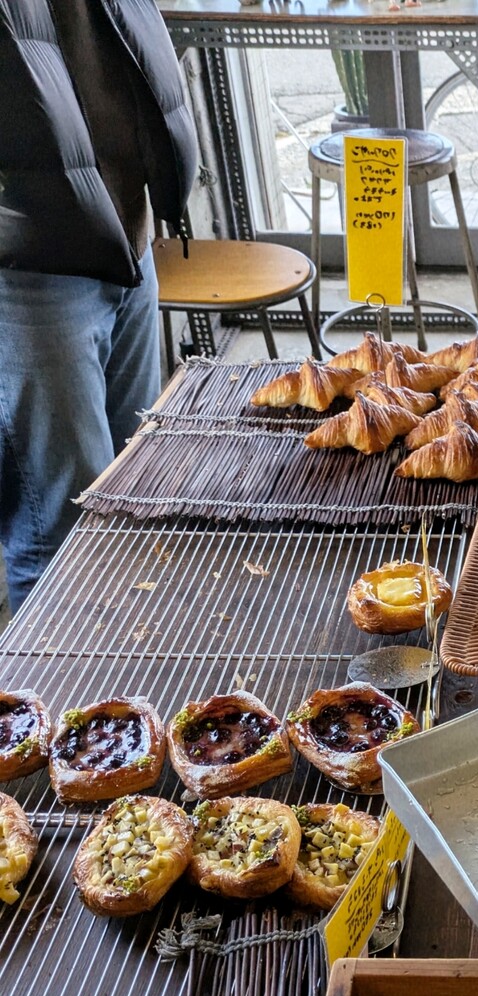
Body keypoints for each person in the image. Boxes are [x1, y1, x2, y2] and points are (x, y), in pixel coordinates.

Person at [0, 0, 197, 611]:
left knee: (132, 496)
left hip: (125, 232)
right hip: (35, 264)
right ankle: (62, 698)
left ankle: (130, 688)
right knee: (60, 535)